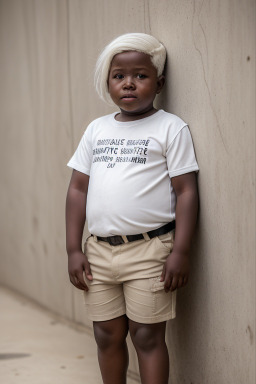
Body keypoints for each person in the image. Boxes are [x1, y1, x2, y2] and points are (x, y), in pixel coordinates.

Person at [66, 33, 199, 384]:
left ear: (160, 83)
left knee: (146, 335)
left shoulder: (170, 128)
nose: (128, 83)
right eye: (119, 76)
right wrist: (72, 249)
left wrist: (181, 251)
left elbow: (186, 192)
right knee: (106, 334)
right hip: (98, 252)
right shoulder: (97, 130)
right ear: (108, 82)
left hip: (150, 250)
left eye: (140, 75)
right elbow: (78, 189)